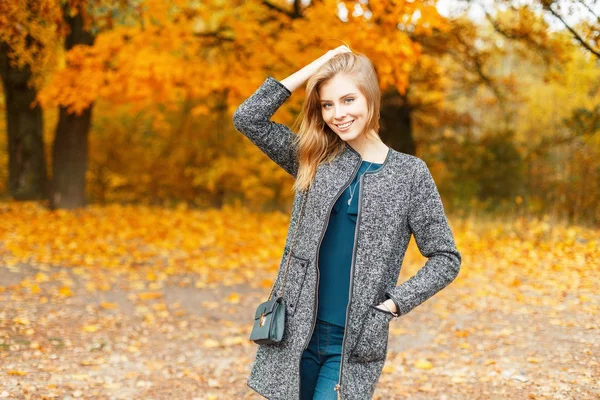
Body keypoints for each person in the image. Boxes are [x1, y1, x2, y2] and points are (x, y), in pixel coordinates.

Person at [232, 45, 462, 400]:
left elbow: (446, 258)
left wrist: (393, 304)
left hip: (353, 340)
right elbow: (248, 118)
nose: (338, 114)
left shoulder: (410, 174)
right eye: (327, 104)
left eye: (348, 100)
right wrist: (317, 67)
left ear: (371, 98)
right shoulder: (314, 158)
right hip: (295, 330)